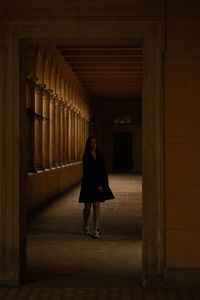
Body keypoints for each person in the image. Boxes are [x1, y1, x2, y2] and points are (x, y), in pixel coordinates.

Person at [78, 135, 115, 239]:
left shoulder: (100, 156)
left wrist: (104, 185)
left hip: (99, 185)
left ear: (97, 144)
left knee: (97, 207)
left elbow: (103, 171)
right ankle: (85, 224)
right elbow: (88, 172)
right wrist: (97, 185)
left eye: (95, 143)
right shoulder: (86, 156)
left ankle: (96, 230)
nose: (93, 145)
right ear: (88, 144)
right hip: (88, 184)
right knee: (87, 207)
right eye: (91, 143)